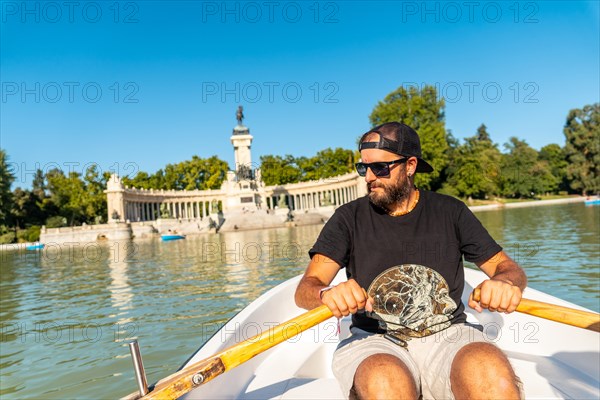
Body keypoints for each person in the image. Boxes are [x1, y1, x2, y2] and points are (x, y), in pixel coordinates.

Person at [294, 122, 527, 400]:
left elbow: (508, 268)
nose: (369, 177)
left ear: (411, 165)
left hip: (449, 334)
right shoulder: (346, 219)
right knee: (384, 379)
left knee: (489, 372)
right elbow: (306, 288)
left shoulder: (451, 211)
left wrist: (503, 283)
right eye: (363, 168)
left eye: (380, 168)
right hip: (374, 340)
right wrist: (327, 294)